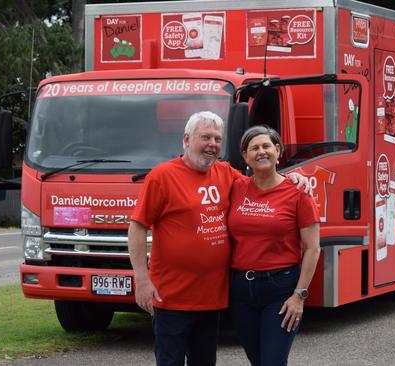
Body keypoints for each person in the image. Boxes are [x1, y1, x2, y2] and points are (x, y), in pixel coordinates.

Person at [128, 111, 309, 366]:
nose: (212, 144)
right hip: (170, 297)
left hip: (210, 299)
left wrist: (295, 176)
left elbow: (264, 181)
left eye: (217, 139)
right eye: (205, 137)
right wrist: (141, 278)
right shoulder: (162, 176)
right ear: (187, 139)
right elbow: (137, 227)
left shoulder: (227, 174)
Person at [228, 125, 321, 366]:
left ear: (278, 150)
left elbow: (312, 248)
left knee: (272, 362)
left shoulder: (299, 192)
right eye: (254, 148)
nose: (261, 152)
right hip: (241, 290)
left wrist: (299, 296)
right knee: (257, 360)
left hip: (280, 290)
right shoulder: (236, 187)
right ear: (245, 156)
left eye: (267, 146)